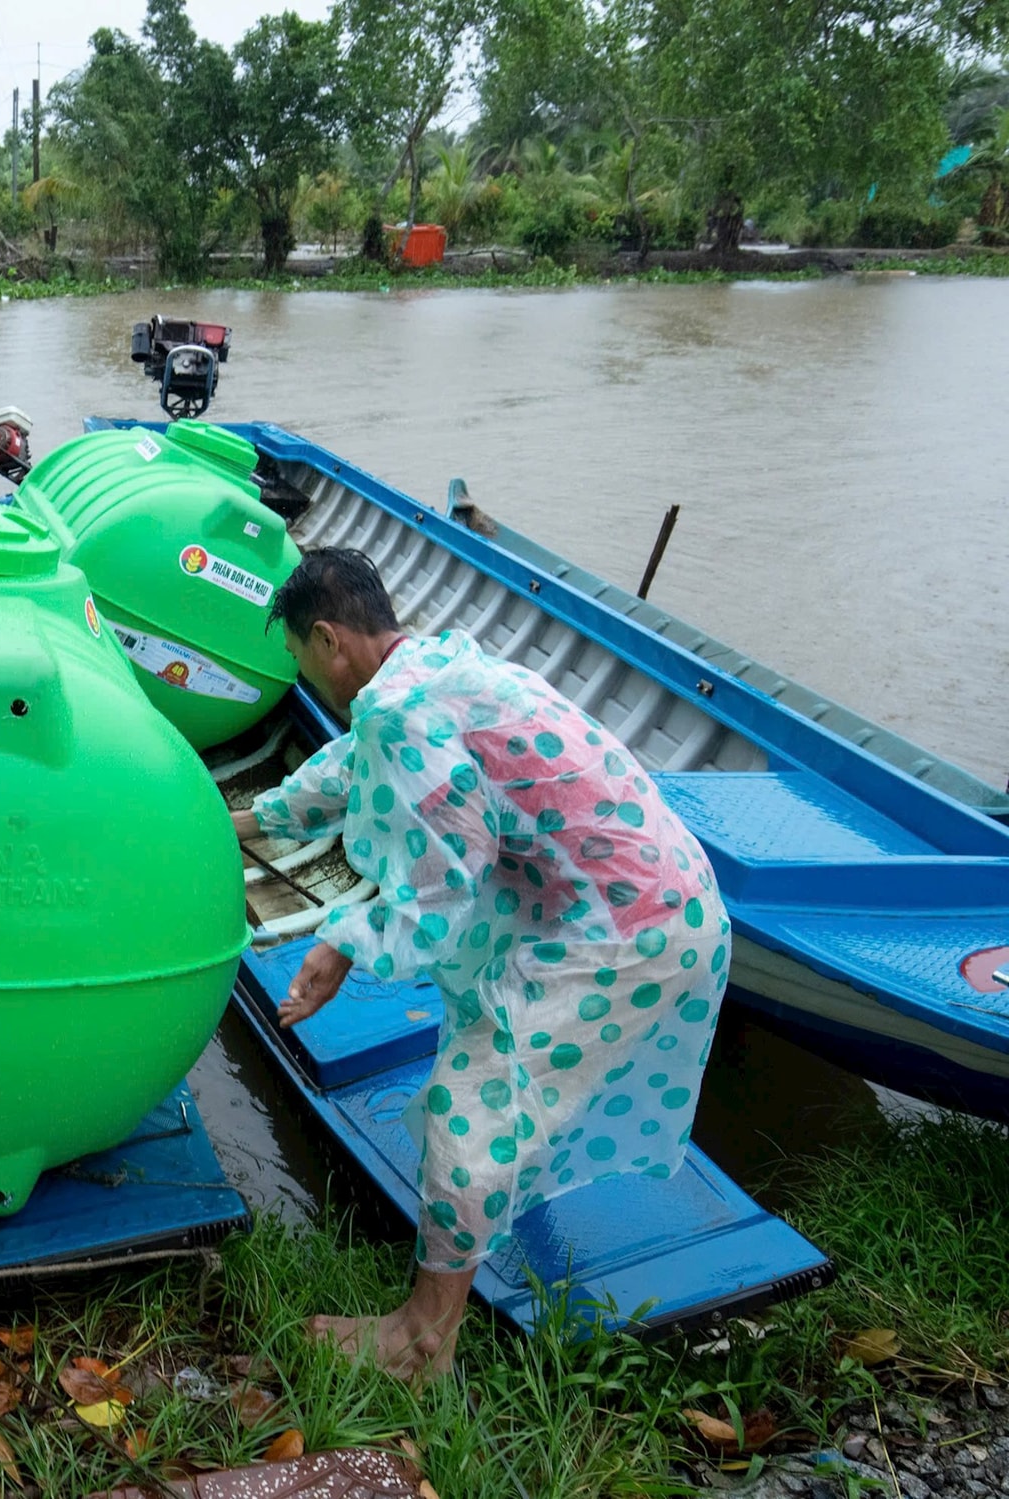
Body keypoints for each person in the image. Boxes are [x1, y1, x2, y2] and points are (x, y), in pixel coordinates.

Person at [230, 548, 729, 1378]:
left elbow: (442, 880)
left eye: (298, 658)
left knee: (473, 1109)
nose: (305, 679)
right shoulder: (430, 668)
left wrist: (340, 942)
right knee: (487, 1082)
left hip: (622, 931)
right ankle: (447, 1288)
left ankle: (423, 1338)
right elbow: (350, 773)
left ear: (327, 640)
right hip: (650, 898)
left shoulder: (398, 709)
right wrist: (244, 821)